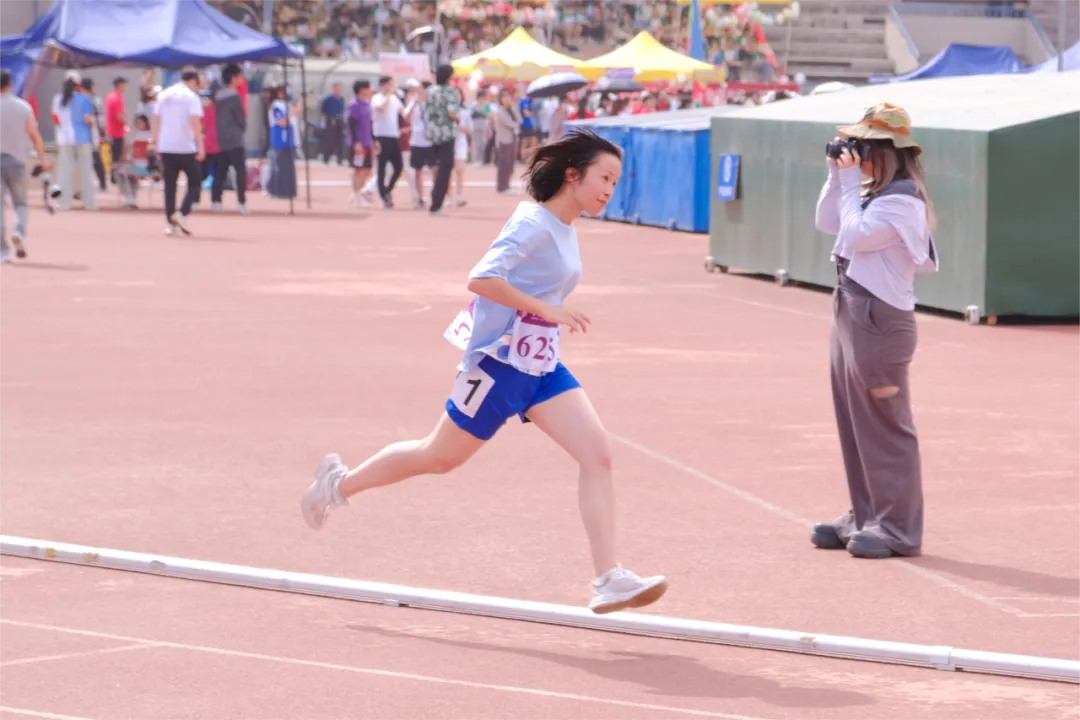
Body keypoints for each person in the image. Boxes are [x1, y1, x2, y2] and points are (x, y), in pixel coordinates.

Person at [301, 128, 668, 614]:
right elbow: (481, 278)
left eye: (616, 182)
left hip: (541, 366)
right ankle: (338, 485)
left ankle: (608, 579)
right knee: (438, 457)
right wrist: (547, 308)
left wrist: (546, 313)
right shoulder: (533, 223)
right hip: (498, 366)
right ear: (572, 175)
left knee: (598, 455)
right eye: (604, 178)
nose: (609, 190)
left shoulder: (564, 228)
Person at [811, 103, 939, 559]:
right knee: (854, 419)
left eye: (861, 145)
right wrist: (836, 176)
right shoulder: (868, 191)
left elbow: (856, 235)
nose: (854, 152)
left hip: (880, 319)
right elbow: (827, 223)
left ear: (885, 150)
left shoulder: (903, 200)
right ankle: (866, 515)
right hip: (851, 307)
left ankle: (898, 528)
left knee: (885, 424)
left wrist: (848, 183)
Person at [0, 68, 48, 262]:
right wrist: (42, 160)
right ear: (10, 85)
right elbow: (35, 136)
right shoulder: (23, 107)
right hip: (17, 160)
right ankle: (19, 232)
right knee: (20, 203)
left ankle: (2, 251)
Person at [152, 69, 205, 235]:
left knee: (170, 185)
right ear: (193, 81)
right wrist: (200, 145)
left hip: (167, 145)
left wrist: (156, 141)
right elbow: (195, 122)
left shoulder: (164, 95)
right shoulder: (191, 97)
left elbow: (156, 119)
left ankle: (171, 223)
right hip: (185, 146)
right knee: (195, 181)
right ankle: (182, 213)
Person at [212, 63, 248, 214]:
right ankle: (241, 202)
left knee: (220, 171)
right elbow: (241, 118)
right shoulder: (234, 97)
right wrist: (242, 127)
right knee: (240, 170)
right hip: (235, 138)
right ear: (233, 78)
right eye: (239, 76)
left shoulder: (218, 96)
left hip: (221, 138)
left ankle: (216, 201)